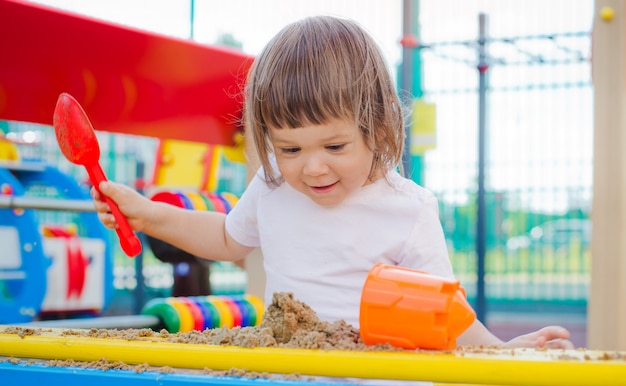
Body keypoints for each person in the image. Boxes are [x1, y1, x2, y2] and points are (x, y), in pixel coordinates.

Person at [92, 16, 572, 349]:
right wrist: (146, 213)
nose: (313, 168)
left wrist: (499, 349)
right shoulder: (274, 186)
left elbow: (444, 310)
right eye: (291, 149)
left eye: (335, 147)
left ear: (377, 128)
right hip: (293, 382)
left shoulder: (407, 208)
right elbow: (224, 238)